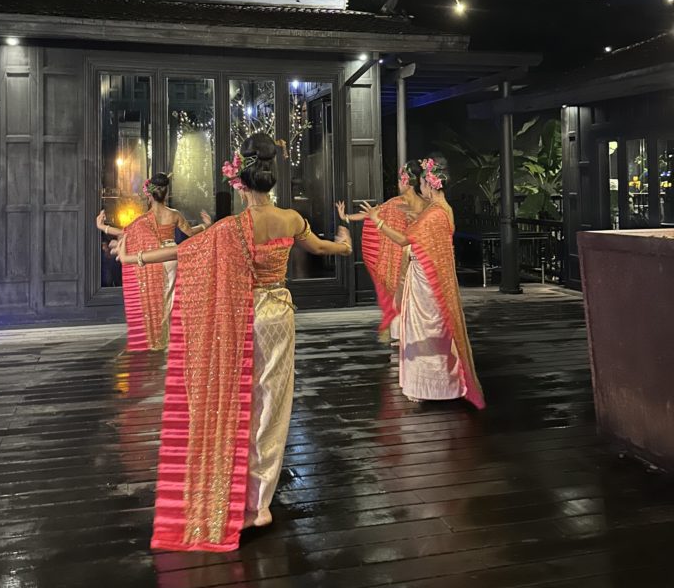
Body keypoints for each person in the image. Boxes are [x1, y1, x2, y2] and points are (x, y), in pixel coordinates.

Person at [117, 132, 353, 551]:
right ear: (271, 179)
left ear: (239, 181)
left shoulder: (230, 229)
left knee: (236, 398)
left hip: (242, 316)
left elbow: (182, 254)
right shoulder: (291, 220)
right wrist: (345, 240)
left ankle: (233, 488)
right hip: (279, 313)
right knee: (273, 402)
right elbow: (323, 247)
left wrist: (135, 257)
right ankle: (260, 502)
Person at [360, 158, 485, 410]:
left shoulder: (435, 214)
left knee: (426, 330)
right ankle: (443, 384)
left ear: (429, 185)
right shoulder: (442, 210)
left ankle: (430, 386)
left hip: (425, 279)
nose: (421, 188)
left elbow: (405, 240)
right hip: (430, 275)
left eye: (422, 184)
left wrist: (378, 221)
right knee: (436, 329)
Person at [96, 174, 211, 352]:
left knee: (159, 299)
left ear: (149, 195)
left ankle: (160, 337)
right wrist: (206, 226)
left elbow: (125, 233)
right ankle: (174, 338)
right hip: (172, 256)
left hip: (154, 258)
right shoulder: (174, 215)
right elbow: (189, 233)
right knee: (172, 297)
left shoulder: (143, 220)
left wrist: (103, 227)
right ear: (167, 194)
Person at [336, 163, 426, 339]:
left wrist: (346, 217)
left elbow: (373, 215)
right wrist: (345, 217)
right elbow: (371, 214)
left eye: (400, 179)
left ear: (407, 182)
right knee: (401, 292)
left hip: (409, 254)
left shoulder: (412, 205)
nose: (398, 183)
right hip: (402, 252)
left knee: (406, 292)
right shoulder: (400, 204)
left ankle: (408, 331)